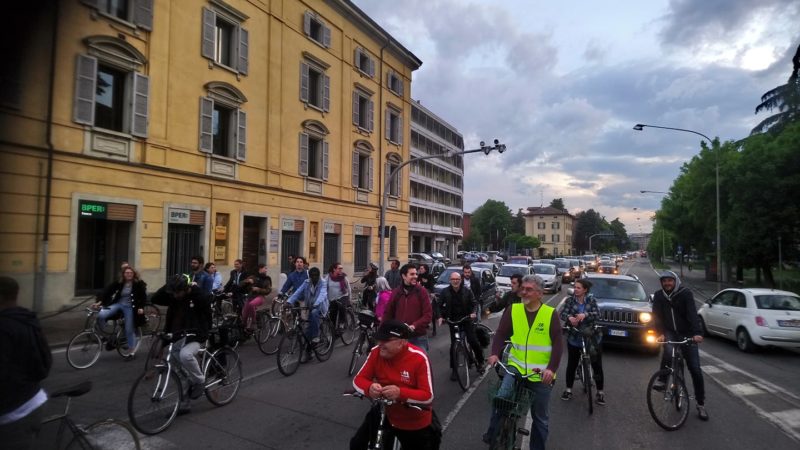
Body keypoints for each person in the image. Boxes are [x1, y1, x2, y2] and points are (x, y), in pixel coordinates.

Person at [484, 275, 562, 449]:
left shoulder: (550, 314)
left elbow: (558, 343)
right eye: (523, 289)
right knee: (501, 399)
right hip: (515, 367)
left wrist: (551, 369)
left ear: (540, 294)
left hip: (539, 374)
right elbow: (501, 334)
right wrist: (495, 354)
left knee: (540, 418)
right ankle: (493, 434)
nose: (523, 292)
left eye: (529, 289)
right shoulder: (513, 309)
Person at [351, 320, 440, 450]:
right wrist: (369, 388)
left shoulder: (419, 358)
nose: (380, 344)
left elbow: (427, 396)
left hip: (413, 419)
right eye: (379, 339)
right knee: (357, 444)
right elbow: (359, 379)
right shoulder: (376, 352)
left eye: (386, 340)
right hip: (385, 412)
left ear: (402, 342)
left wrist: (400, 393)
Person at [0, 277, 52, 449]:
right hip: (32, 400)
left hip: (16, 411)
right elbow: (45, 364)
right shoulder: (28, 320)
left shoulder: (5, 327)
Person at [151, 274, 213, 413]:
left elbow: (207, 306)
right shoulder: (173, 297)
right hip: (177, 334)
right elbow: (155, 298)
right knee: (177, 370)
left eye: (178, 292)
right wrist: (170, 285)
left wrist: (194, 288)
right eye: (173, 292)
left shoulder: (197, 296)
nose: (175, 295)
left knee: (185, 355)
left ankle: (200, 380)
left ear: (186, 289)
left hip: (196, 334)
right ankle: (185, 403)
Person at [652, 271, 708, 421]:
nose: (667, 283)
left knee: (695, 368)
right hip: (670, 331)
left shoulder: (685, 294)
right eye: (664, 281)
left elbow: (692, 314)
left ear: (675, 281)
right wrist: (660, 332)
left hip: (687, 333)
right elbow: (656, 316)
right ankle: (663, 381)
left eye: (670, 281)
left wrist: (697, 333)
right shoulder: (659, 296)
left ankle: (700, 403)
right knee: (668, 350)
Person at [559, 278, 605, 405]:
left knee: (596, 365)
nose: (576, 290)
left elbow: (598, 314)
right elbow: (562, 314)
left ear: (585, 290)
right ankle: (568, 390)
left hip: (592, 336)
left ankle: (600, 392)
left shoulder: (591, 300)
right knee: (572, 364)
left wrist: (585, 315)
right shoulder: (569, 300)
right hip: (575, 336)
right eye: (575, 287)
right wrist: (569, 318)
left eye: (579, 288)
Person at [92, 265, 148, 359]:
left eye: (130, 273)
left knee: (129, 329)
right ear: (123, 274)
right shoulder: (120, 282)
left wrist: (141, 307)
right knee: (101, 314)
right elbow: (108, 291)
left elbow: (143, 297)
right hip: (118, 305)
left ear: (134, 274)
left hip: (130, 308)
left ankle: (132, 352)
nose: (129, 274)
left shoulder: (139, 284)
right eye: (127, 273)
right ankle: (106, 335)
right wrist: (100, 302)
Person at [437, 272, 485, 380]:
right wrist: (440, 317)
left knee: (472, 340)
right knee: (454, 345)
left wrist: (473, 313)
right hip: (452, 321)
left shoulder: (467, 291)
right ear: (450, 280)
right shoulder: (445, 292)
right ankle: (454, 370)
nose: (455, 281)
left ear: (460, 280)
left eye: (457, 279)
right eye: (453, 279)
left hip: (466, 320)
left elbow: (474, 303)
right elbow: (438, 306)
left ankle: (480, 361)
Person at [382, 264, 433, 352]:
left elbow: (428, 315)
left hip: (418, 337)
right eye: (412, 274)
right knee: (398, 364)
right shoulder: (396, 293)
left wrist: (414, 325)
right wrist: (382, 332)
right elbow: (388, 314)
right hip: (399, 337)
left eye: (416, 274)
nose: (415, 276)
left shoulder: (421, 291)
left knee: (420, 363)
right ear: (404, 276)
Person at [286, 267, 328, 344]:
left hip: (320, 306)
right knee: (308, 327)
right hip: (310, 305)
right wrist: (289, 301)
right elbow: (298, 292)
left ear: (319, 275)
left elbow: (322, 294)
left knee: (314, 313)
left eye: (316, 276)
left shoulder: (323, 282)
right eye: (312, 276)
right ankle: (309, 346)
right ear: (310, 277)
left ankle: (316, 336)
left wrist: (315, 304)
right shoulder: (306, 282)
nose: (314, 277)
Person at [326, 262, 352, 328]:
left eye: (342, 268)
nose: (341, 270)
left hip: (343, 296)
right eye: (339, 268)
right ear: (334, 269)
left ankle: (342, 322)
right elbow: (324, 288)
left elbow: (348, 288)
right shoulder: (328, 277)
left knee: (341, 306)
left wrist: (349, 299)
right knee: (332, 315)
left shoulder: (343, 277)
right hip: (332, 298)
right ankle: (332, 330)